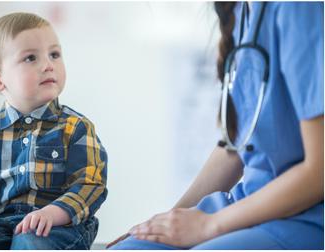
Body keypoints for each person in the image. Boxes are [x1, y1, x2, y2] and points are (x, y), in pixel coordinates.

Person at [108, 2, 323, 250]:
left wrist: (210, 225)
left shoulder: (297, 8)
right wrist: (163, 224)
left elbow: (319, 173)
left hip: (303, 218)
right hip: (246, 207)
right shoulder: (245, 12)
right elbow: (236, 147)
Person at [0, 12, 107, 250]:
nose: (48, 65)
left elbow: (90, 184)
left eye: (54, 54)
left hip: (58, 227)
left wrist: (53, 213)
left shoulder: (75, 127)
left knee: (30, 241)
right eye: (30, 58)